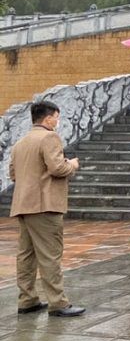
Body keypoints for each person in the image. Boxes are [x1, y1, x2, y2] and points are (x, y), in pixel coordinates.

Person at [9, 100, 85, 317]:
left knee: (26, 255)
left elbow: (13, 174)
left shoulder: (20, 142)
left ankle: (27, 299)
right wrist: (72, 164)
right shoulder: (49, 137)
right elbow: (58, 168)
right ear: (48, 118)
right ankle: (58, 303)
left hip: (23, 204)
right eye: (57, 117)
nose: (58, 121)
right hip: (44, 205)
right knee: (50, 254)